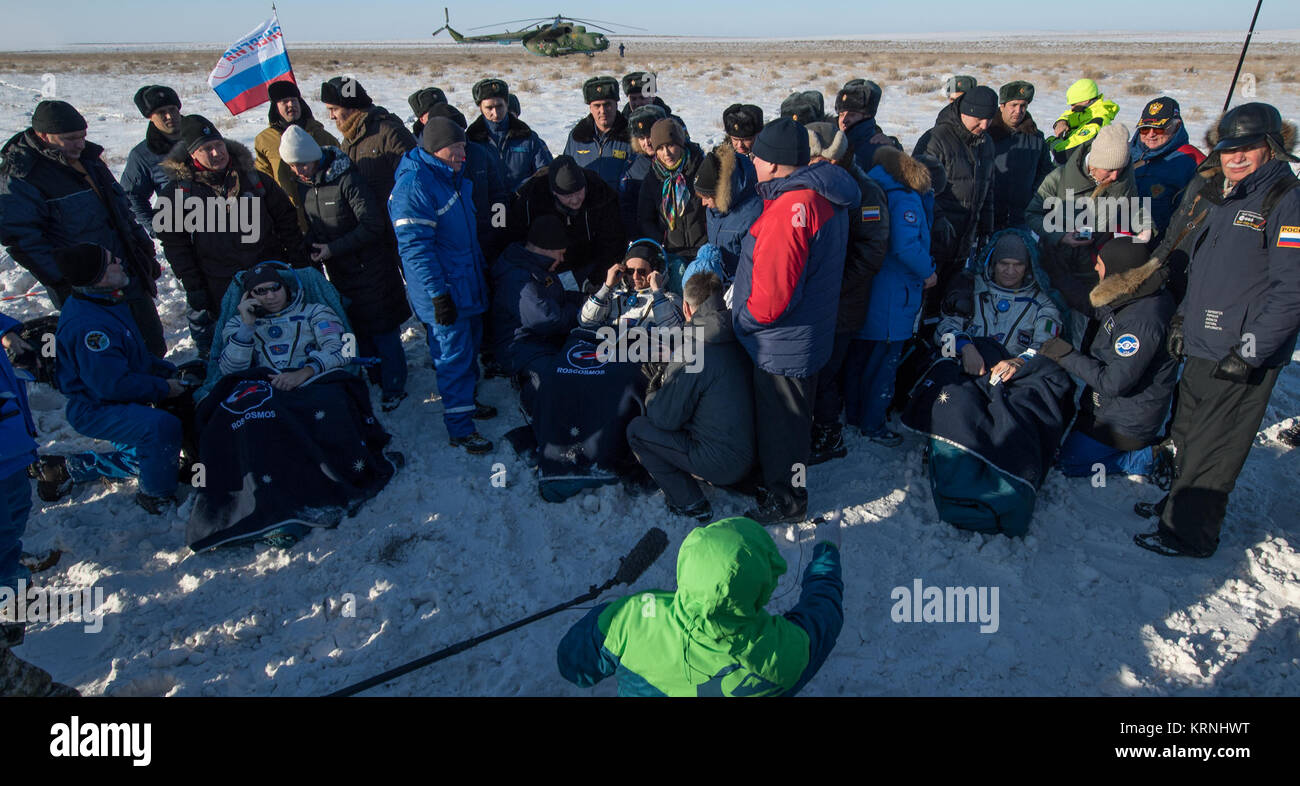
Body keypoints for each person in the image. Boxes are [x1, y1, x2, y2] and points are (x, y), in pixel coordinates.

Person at [1135, 103, 1300, 558]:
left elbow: (1292, 291)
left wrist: (1250, 350)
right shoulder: (1230, 195)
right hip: (1206, 341)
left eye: (1248, 148)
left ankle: (1190, 534)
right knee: (1187, 431)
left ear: (1272, 148)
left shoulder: (1285, 200)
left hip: (1243, 351)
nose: (1237, 158)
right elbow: (1205, 269)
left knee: (1215, 446)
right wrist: (1185, 317)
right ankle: (1175, 507)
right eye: (1229, 150)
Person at [557, 516, 843, 697]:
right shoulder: (783, 652)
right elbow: (823, 613)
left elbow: (573, 666)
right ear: (764, 584)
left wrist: (608, 611)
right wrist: (827, 550)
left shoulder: (632, 615)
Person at [732, 118, 858, 524]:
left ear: (772, 163)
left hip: (781, 344)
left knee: (783, 430)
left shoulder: (792, 209)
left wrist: (744, 319)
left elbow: (772, 301)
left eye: (755, 155)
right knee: (795, 425)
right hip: (807, 335)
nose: (751, 160)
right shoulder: (822, 192)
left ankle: (787, 500)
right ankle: (786, 481)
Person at [0, 100, 166, 357]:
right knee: (107, 354)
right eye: (70, 139)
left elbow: (121, 211)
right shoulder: (22, 176)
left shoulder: (89, 160)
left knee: (150, 344)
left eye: (82, 136)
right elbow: (23, 241)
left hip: (126, 270)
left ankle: (161, 391)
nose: (79, 144)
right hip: (84, 285)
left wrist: (143, 251)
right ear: (43, 136)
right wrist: (66, 280)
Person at [279, 126, 412, 411]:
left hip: (372, 270)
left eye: (302, 162)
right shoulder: (307, 186)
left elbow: (372, 224)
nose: (299, 169)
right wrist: (312, 244)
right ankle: (373, 376)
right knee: (355, 330)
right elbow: (318, 225)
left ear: (315, 157)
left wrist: (333, 248)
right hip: (340, 273)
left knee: (383, 330)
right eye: (293, 165)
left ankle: (394, 384)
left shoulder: (347, 179)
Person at [157, 115, 308, 359]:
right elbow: (174, 245)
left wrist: (298, 262)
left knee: (280, 341)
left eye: (218, 145)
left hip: (266, 275)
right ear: (192, 154)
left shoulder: (254, 179)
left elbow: (286, 221)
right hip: (219, 284)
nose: (217, 153)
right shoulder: (175, 194)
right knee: (234, 346)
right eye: (207, 149)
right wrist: (194, 286)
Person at [52, 244, 187, 514]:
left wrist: (167, 372)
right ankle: (155, 495)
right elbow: (112, 385)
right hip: (96, 407)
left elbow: (135, 356)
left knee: (153, 456)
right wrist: (163, 388)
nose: (121, 262)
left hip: (110, 397)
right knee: (161, 428)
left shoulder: (104, 300)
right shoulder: (90, 327)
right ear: (99, 276)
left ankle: (66, 469)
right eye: (113, 262)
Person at [389, 117, 494, 454]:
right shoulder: (415, 185)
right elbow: (416, 250)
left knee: (468, 351)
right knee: (452, 358)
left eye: (465, 146)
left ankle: (467, 403)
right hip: (445, 292)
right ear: (437, 149)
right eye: (458, 147)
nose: (464, 153)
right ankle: (460, 428)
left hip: (466, 283)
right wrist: (438, 296)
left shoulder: (450, 175)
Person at [1035, 236, 1176, 484]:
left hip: (1128, 422)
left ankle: (1145, 458)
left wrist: (1064, 354)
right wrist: (1054, 268)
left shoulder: (1142, 321)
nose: (1096, 268)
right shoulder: (1136, 293)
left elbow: (1114, 383)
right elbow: (1091, 304)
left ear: (1118, 271)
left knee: (1067, 463)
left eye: (1100, 264)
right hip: (1106, 407)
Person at [626, 272, 755, 521]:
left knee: (636, 430)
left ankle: (690, 502)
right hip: (753, 453)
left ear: (686, 307)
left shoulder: (694, 347)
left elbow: (664, 419)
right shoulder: (740, 333)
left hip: (723, 463)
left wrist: (654, 390)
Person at [806, 122, 891, 463]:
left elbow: (872, 252)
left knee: (826, 373)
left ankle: (830, 435)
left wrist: (831, 286)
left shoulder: (865, 192)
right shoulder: (819, 184)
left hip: (842, 304)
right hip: (819, 300)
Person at [845, 146, 934, 446]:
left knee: (860, 358)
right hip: (894, 296)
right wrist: (928, 271)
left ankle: (855, 415)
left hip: (870, 292)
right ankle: (873, 424)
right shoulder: (905, 197)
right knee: (884, 364)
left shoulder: (872, 186)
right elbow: (905, 246)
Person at [1027, 122, 1148, 337]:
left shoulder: (1123, 181)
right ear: (1093, 162)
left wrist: (1145, 229)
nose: (1114, 177)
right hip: (1056, 267)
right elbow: (1032, 214)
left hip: (1096, 272)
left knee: (1086, 334)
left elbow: (1135, 208)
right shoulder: (1058, 178)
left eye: (1119, 170)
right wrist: (1061, 236)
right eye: (1109, 170)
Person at [934, 231, 1062, 381]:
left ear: (1028, 267)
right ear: (993, 263)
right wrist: (964, 347)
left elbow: (1049, 345)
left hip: (1016, 377)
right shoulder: (970, 289)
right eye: (1004, 263)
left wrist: (1020, 362)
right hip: (968, 370)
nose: (1010, 271)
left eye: (1018, 265)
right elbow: (940, 334)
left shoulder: (1042, 302)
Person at [912, 85, 997, 308]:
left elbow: (988, 187)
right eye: (979, 118)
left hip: (964, 242)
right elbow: (918, 189)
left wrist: (986, 229)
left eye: (989, 119)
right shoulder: (935, 139)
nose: (985, 125)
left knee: (949, 302)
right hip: (934, 241)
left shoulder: (986, 143)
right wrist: (939, 224)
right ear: (964, 112)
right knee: (923, 302)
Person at [217, 263, 350, 386]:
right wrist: (246, 327)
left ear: (286, 288)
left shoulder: (315, 312)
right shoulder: (237, 324)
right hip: (262, 390)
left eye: (275, 288)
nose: (270, 296)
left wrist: (306, 372)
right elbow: (230, 371)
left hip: (313, 381)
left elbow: (345, 350)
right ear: (248, 296)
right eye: (260, 291)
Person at [506, 155, 626, 289]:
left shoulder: (600, 192)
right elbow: (516, 240)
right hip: (548, 268)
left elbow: (614, 240)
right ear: (554, 192)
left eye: (579, 192)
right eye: (568, 196)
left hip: (590, 262)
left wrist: (596, 278)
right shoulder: (532, 196)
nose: (575, 200)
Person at [488, 215, 582, 379]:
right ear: (546, 248)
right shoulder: (518, 277)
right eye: (560, 253)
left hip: (544, 340)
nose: (562, 259)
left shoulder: (539, 266)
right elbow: (547, 320)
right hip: (522, 348)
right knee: (556, 380)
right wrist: (584, 311)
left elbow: (556, 298)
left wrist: (583, 299)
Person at [320, 77, 417, 216]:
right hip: (366, 226)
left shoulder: (390, 133)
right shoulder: (348, 139)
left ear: (351, 105)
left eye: (334, 109)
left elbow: (413, 184)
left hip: (393, 226)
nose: (331, 116)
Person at [253, 80, 339, 231]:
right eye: (284, 101)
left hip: (324, 216)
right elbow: (262, 179)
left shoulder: (322, 136)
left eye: (294, 100)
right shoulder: (265, 140)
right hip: (286, 217)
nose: (291, 105)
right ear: (275, 107)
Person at [1128, 97, 1206, 237]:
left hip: (1157, 245)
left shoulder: (1192, 160)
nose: (1150, 134)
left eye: (1159, 129)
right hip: (1117, 240)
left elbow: (1196, 215)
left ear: (1176, 125)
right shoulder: (1124, 153)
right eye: (1144, 129)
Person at [0, 312, 37, 599]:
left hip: (8, 432)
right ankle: (11, 600)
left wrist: (6, 331)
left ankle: (12, 565)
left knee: (17, 507)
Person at [637, 118, 708, 261]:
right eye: (660, 148)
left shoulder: (700, 168)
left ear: (681, 144)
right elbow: (645, 219)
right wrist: (661, 241)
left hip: (703, 250)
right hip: (671, 253)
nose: (666, 153)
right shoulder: (653, 179)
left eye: (670, 145)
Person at [465, 78, 553, 191]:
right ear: (480, 108)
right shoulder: (471, 139)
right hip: (487, 205)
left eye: (499, 106)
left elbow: (545, 170)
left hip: (522, 203)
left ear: (507, 104)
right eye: (489, 108)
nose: (495, 113)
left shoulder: (527, 137)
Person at [988, 80, 1054, 231]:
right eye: (1013, 105)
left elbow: (1045, 172)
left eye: (1023, 106)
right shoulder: (987, 135)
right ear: (1002, 105)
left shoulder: (1035, 138)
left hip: (1022, 217)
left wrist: (1033, 196)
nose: (1018, 111)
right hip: (989, 217)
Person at [694, 136, 762, 279]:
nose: (703, 204)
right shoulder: (714, 210)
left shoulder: (752, 216)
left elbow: (754, 268)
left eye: (707, 197)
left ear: (722, 193)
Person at [579, 241, 683, 331]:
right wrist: (606, 287)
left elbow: (673, 331)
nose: (635, 276)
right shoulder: (612, 297)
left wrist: (657, 292)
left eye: (641, 271)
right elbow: (586, 322)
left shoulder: (670, 300)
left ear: (656, 271)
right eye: (630, 271)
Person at [121, 85, 183, 236]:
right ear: (149, 116)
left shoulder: (204, 136)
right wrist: (157, 229)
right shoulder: (142, 155)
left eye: (173, 109)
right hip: (183, 234)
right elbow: (132, 196)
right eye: (161, 112)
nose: (169, 116)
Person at [563, 76, 632, 190]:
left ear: (616, 104)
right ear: (590, 107)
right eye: (597, 106)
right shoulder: (577, 137)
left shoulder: (630, 136)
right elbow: (567, 173)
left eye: (607, 104)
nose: (603, 111)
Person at [619, 104, 669, 237]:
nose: (646, 142)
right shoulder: (633, 167)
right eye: (641, 138)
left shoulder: (679, 159)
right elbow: (627, 210)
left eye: (649, 136)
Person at [835, 79, 901, 175]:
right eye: (841, 114)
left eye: (852, 115)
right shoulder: (831, 140)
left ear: (867, 116)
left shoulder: (878, 147)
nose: (844, 120)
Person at [1050, 78, 1119, 164]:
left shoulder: (1096, 123)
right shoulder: (1085, 113)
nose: (1071, 108)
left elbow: (1063, 153)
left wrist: (1053, 141)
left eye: (1073, 104)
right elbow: (1070, 115)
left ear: (1086, 100)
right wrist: (1062, 121)